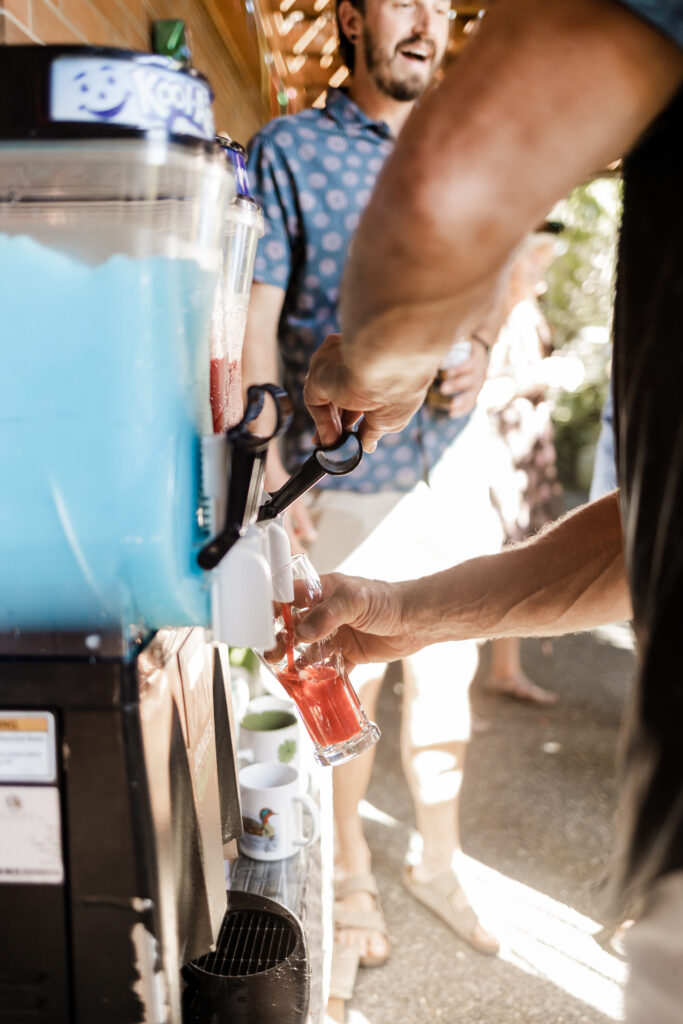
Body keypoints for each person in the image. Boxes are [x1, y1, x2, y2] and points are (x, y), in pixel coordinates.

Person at [297, 2, 683, 1021]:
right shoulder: (295, 147)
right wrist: (409, 608)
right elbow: (647, 538)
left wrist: (382, 362)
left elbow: (444, 192)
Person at [242, 0, 500, 970]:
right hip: (341, 463)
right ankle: (348, 867)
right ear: (350, 18)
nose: (426, 21)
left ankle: (436, 862)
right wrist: (270, 456)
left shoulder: (474, 145)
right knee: (351, 676)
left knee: (449, 677)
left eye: (440, 2)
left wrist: (477, 346)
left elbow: (488, 283)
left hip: (448, 462)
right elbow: (258, 312)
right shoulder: (288, 148)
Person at [481, 226, 582, 705]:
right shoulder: (495, 313)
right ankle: (485, 673)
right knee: (505, 554)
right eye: (536, 267)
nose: (542, 281)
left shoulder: (528, 310)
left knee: (521, 552)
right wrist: (537, 378)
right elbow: (484, 392)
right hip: (500, 455)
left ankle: (506, 668)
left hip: (526, 451)